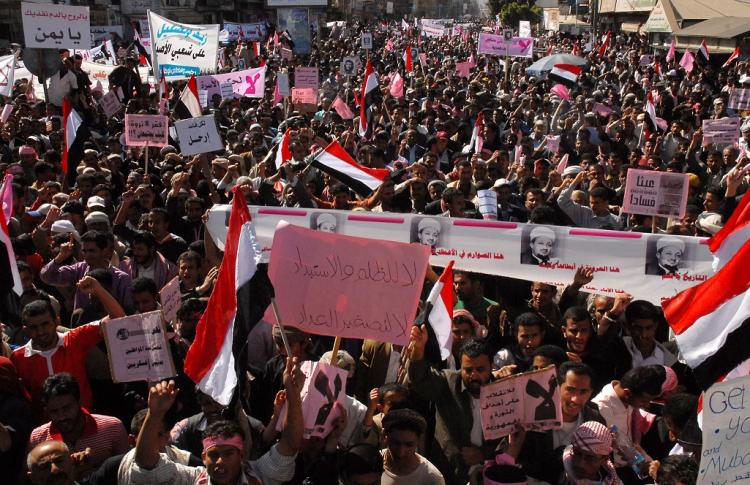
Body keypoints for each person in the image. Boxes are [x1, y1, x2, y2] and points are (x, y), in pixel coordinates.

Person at [121, 356, 305, 485]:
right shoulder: (191, 479)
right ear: (203, 457)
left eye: (228, 454)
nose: (220, 462)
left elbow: (289, 446)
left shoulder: (259, 475)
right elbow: (146, 464)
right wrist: (154, 415)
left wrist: (294, 395)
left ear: (241, 456)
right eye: (214, 455)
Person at [12, 277, 124, 411]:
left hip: (85, 424)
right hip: (45, 430)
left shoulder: (74, 339)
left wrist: (99, 290)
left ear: (57, 321)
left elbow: (118, 319)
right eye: (34, 327)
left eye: (45, 324)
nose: (41, 332)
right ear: (26, 330)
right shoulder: (18, 358)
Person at [405, 327, 499, 485]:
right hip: (450, 473)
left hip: (491, 475)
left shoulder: (504, 391)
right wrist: (418, 355)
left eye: (480, 369)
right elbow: (421, 380)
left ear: (492, 366)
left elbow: (512, 437)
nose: (474, 375)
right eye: (468, 370)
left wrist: (484, 454)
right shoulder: (447, 383)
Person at [511, 362, 606, 483]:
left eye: (583, 392)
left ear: (591, 393)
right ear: (557, 387)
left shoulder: (595, 421)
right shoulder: (532, 418)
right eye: (570, 390)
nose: (575, 399)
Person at [29, 373, 129, 477]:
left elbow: (127, 472)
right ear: (46, 410)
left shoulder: (112, 428)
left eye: (66, 408)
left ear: (79, 402)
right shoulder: (38, 437)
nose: (61, 416)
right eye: (54, 411)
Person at [381, 409, 445, 484]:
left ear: (419, 440)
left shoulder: (431, 478)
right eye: (396, 443)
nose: (401, 452)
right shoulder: (372, 463)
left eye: (409, 445)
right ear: (384, 436)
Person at [561, 421, 623, 485]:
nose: (580, 464)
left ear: (604, 459)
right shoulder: (558, 463)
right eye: (578, 453)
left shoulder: (613, 482)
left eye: (590, 458)